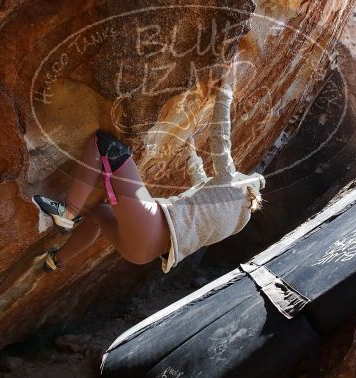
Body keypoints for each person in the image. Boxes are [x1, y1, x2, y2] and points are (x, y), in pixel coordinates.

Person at [33, 64, 265, 273]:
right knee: (96, 212)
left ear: (246, 183)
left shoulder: (235, 187)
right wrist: (191, 151)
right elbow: (201, 185)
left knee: (106, 146)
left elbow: (220, 139)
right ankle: (56, 260)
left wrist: (226, 90)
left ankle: (67, 212)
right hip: (141, 254)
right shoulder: (238, 221)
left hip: (149, 225)